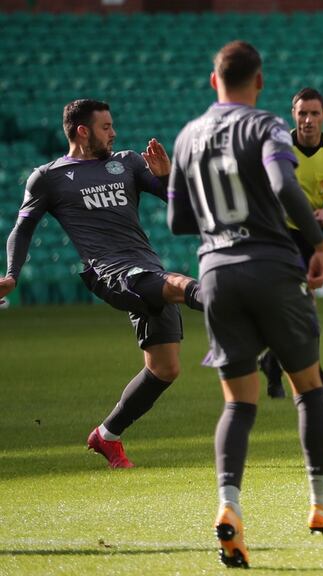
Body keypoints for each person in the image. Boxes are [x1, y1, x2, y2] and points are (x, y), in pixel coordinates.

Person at [167, 41, 323, 569]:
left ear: (213, 81)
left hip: (216, 273)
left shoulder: (187, 137)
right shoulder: (266, 126)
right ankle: (321, 506)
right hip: (271, 265)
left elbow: (179, 222)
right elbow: (283, 182)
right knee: (309, 387)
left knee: (238, 404)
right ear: (261, 82)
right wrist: (317, 243)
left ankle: (229, 507)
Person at [0, 99, 204, 469]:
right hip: (110, 273)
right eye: (106, 127)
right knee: (182, 285)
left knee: (165, 368)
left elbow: (183, 206)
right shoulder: (49, 177)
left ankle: (106, 435)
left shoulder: (126, 162)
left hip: (146, 268)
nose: (114, 133)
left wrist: (167, 176)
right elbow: (22, 228)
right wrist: (12, 274)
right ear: (83, 130)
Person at [259, 87, 323, 400]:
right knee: (304, 310)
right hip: (277, 234)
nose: (308, 120)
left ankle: (272, 362)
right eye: (302, 113)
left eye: (314, 113)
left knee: (295, 312)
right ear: (293, 115)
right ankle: (316, 378)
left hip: (311, 236)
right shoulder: (277, 147)